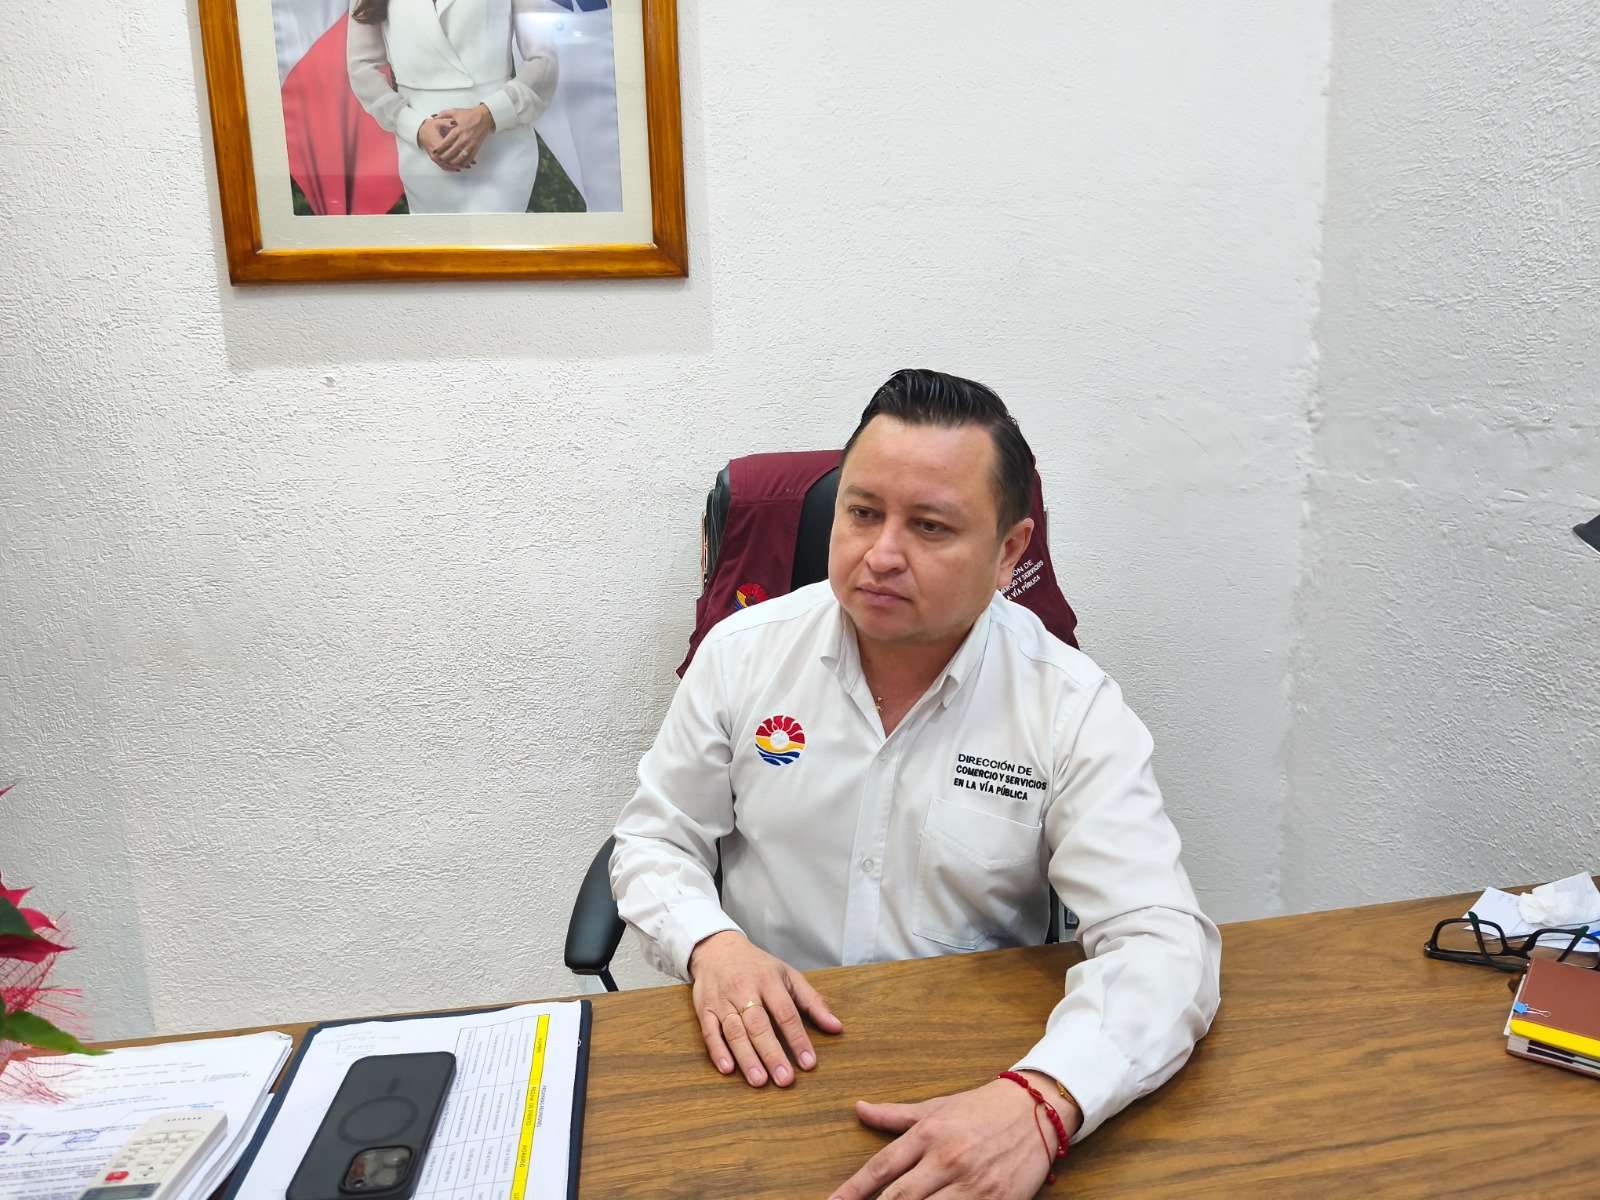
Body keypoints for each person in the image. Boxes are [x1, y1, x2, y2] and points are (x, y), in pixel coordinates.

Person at [611, 369, 1221, 1199]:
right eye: (862, 513)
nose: (880, 555)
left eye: (930, 527)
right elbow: (655, 839)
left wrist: (1044, 1100)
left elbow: (1161, 940)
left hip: (979, 1071)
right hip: (765, 1051)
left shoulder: (1069, 703)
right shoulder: (742, 655)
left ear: (1009, 551)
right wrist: (709, 944)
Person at [346, 0, 558, 214]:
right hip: (423, 156)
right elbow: (361, 68)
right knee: (438, 245)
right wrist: (415, 127)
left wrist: (488, 115)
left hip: (501, 149)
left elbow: (544, 60)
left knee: (498, 244)